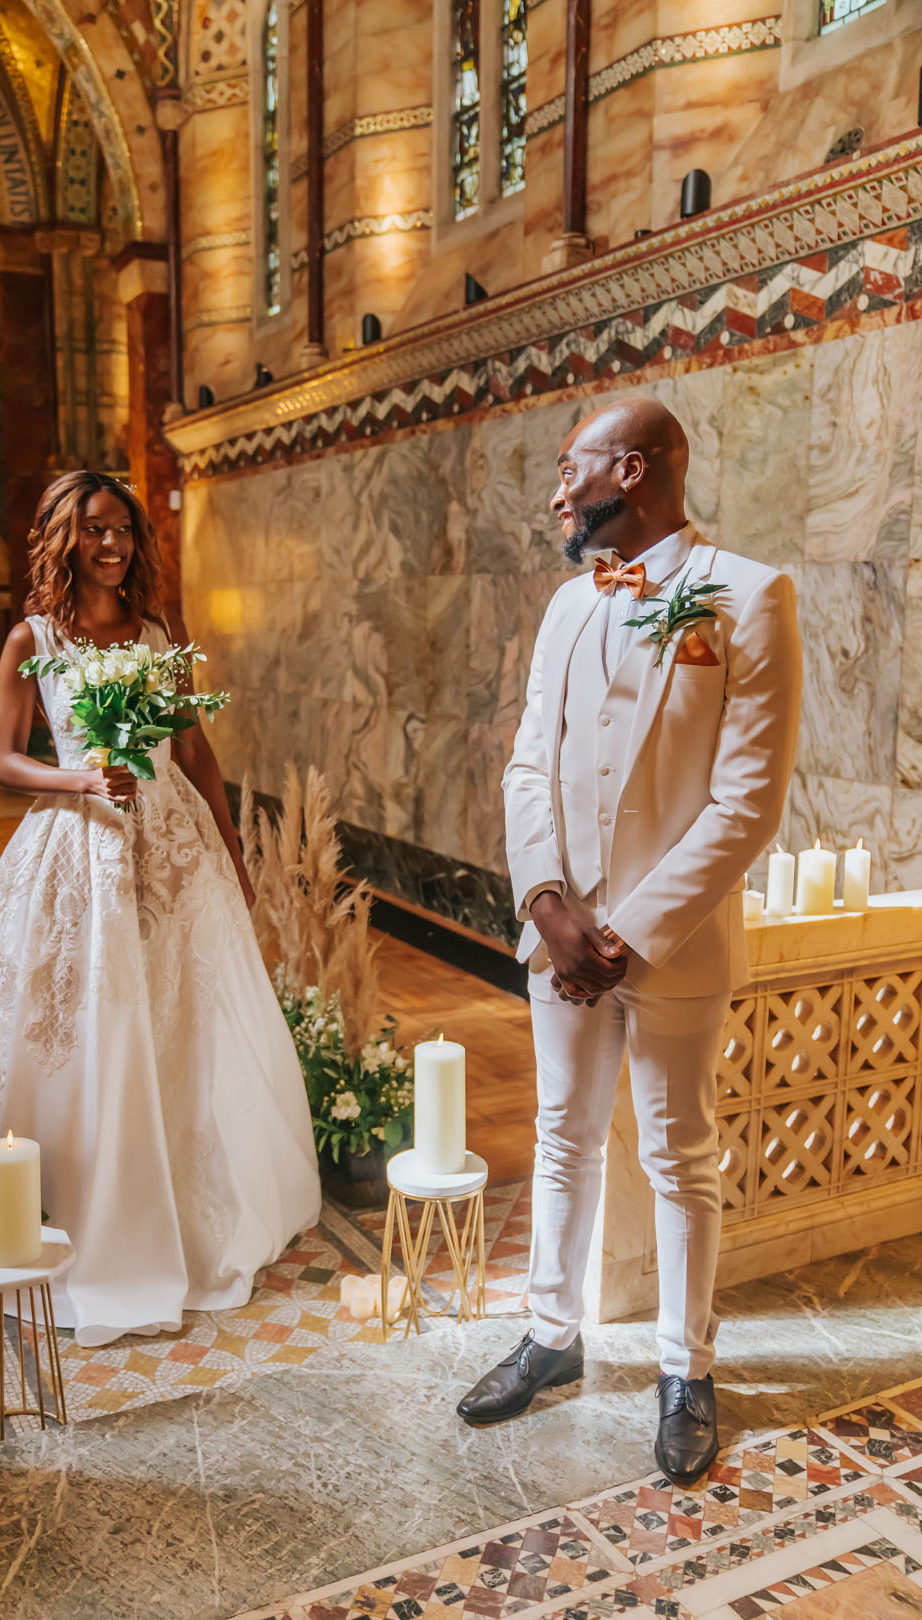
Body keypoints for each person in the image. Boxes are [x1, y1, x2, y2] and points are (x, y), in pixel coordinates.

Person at [456, 399, 803, 1485]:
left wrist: (632, 933)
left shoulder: (749, 597)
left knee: (679, 1154)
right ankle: (551, 1339)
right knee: (562, 1135)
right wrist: (550, 906)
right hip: (560, 940)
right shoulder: (567, 606)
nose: (558, 493)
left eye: (573, 470)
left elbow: (748, 800)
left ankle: (683, 1369)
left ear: (634, 469)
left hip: (675, 946)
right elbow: (528, 767)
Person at [0, 471, 321, 1346]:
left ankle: (191, 1206)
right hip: (78, 840)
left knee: (188, 1013)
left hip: (171, 843)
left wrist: (228, 844)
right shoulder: (32, 636)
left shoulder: (155, 629)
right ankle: (84, 1207)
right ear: (64, 536)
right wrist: (78, 778)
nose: (114, 546)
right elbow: (4, 761)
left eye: (125, 532)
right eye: (97, 530)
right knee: (89, 1017)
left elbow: (194, 742)